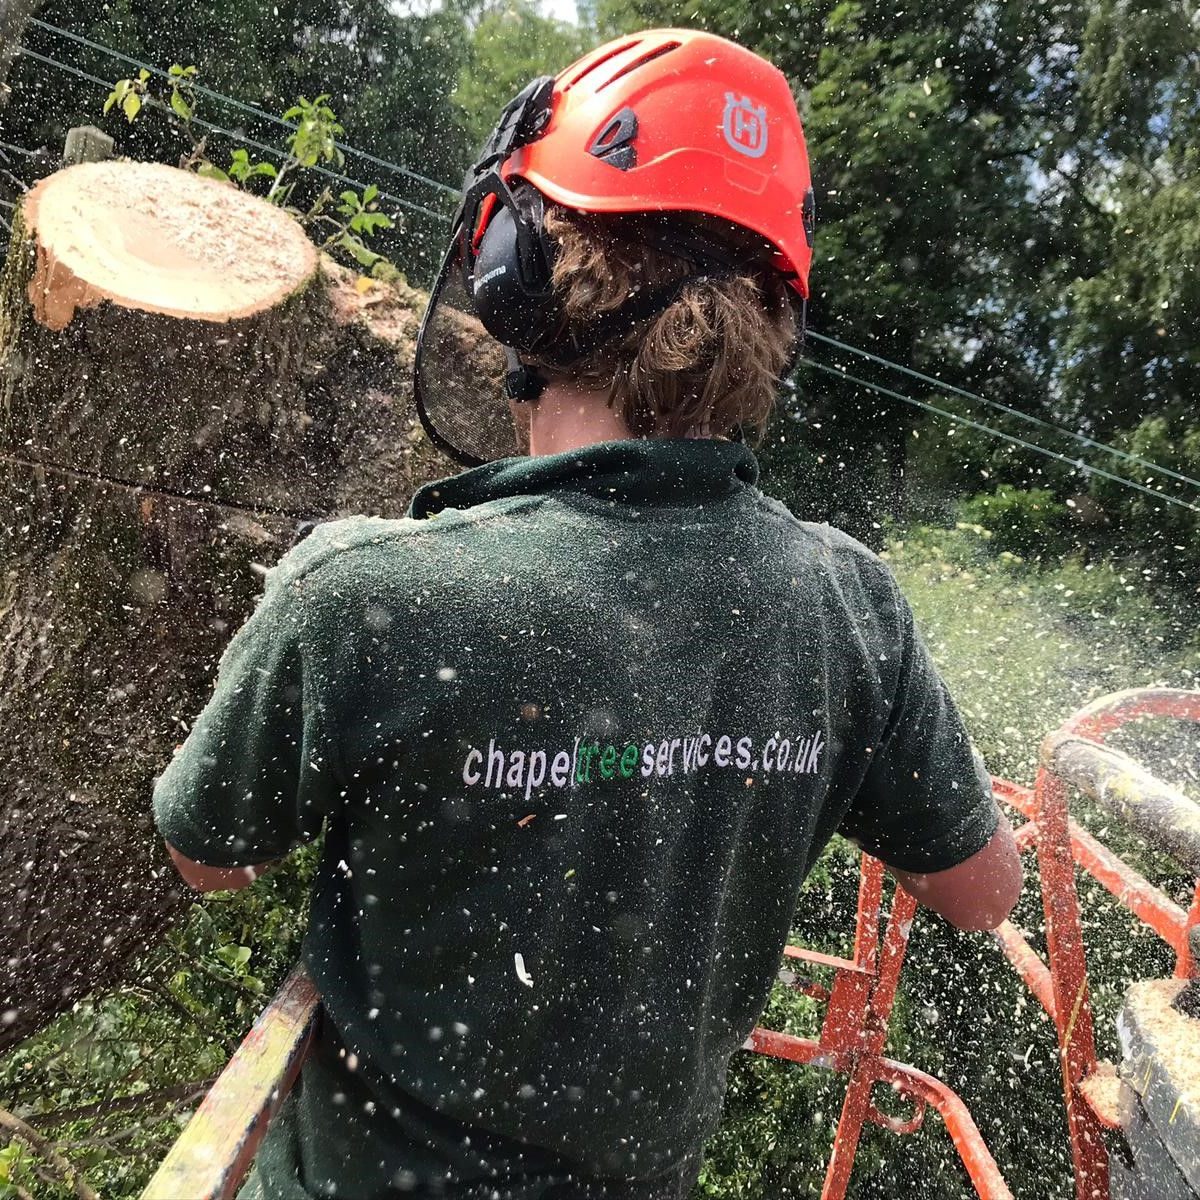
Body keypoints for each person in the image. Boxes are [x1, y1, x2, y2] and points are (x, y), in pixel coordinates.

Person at [153, 27, 1021, 1200]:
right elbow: (985, 895)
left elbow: (209, 860)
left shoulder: (360, 595)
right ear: (779, 321)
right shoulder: (849, 608)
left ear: (517, 274)